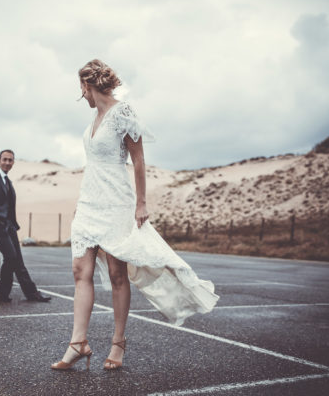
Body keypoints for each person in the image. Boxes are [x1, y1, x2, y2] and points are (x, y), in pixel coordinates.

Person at [51, 59, 219, 371]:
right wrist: (81, 201)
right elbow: (94, 165)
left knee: (117, 273)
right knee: (79, 271)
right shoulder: (94, 120)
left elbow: (139, 160)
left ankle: (118, 343)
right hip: (89, 202)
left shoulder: (123, 112)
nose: (82, 97)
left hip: (117, 203)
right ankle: (78, 342)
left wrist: (141, 203)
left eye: (82, 91)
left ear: (89, 86)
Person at [0, 150, 51, 303]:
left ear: (13, 162)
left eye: (10, 160)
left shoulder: (8, 181)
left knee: (18, 261)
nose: (7, 163)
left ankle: (31, 294)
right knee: (10, 257)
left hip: (8, 225)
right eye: (5, 159)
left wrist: (10, 224)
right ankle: (3, 295)